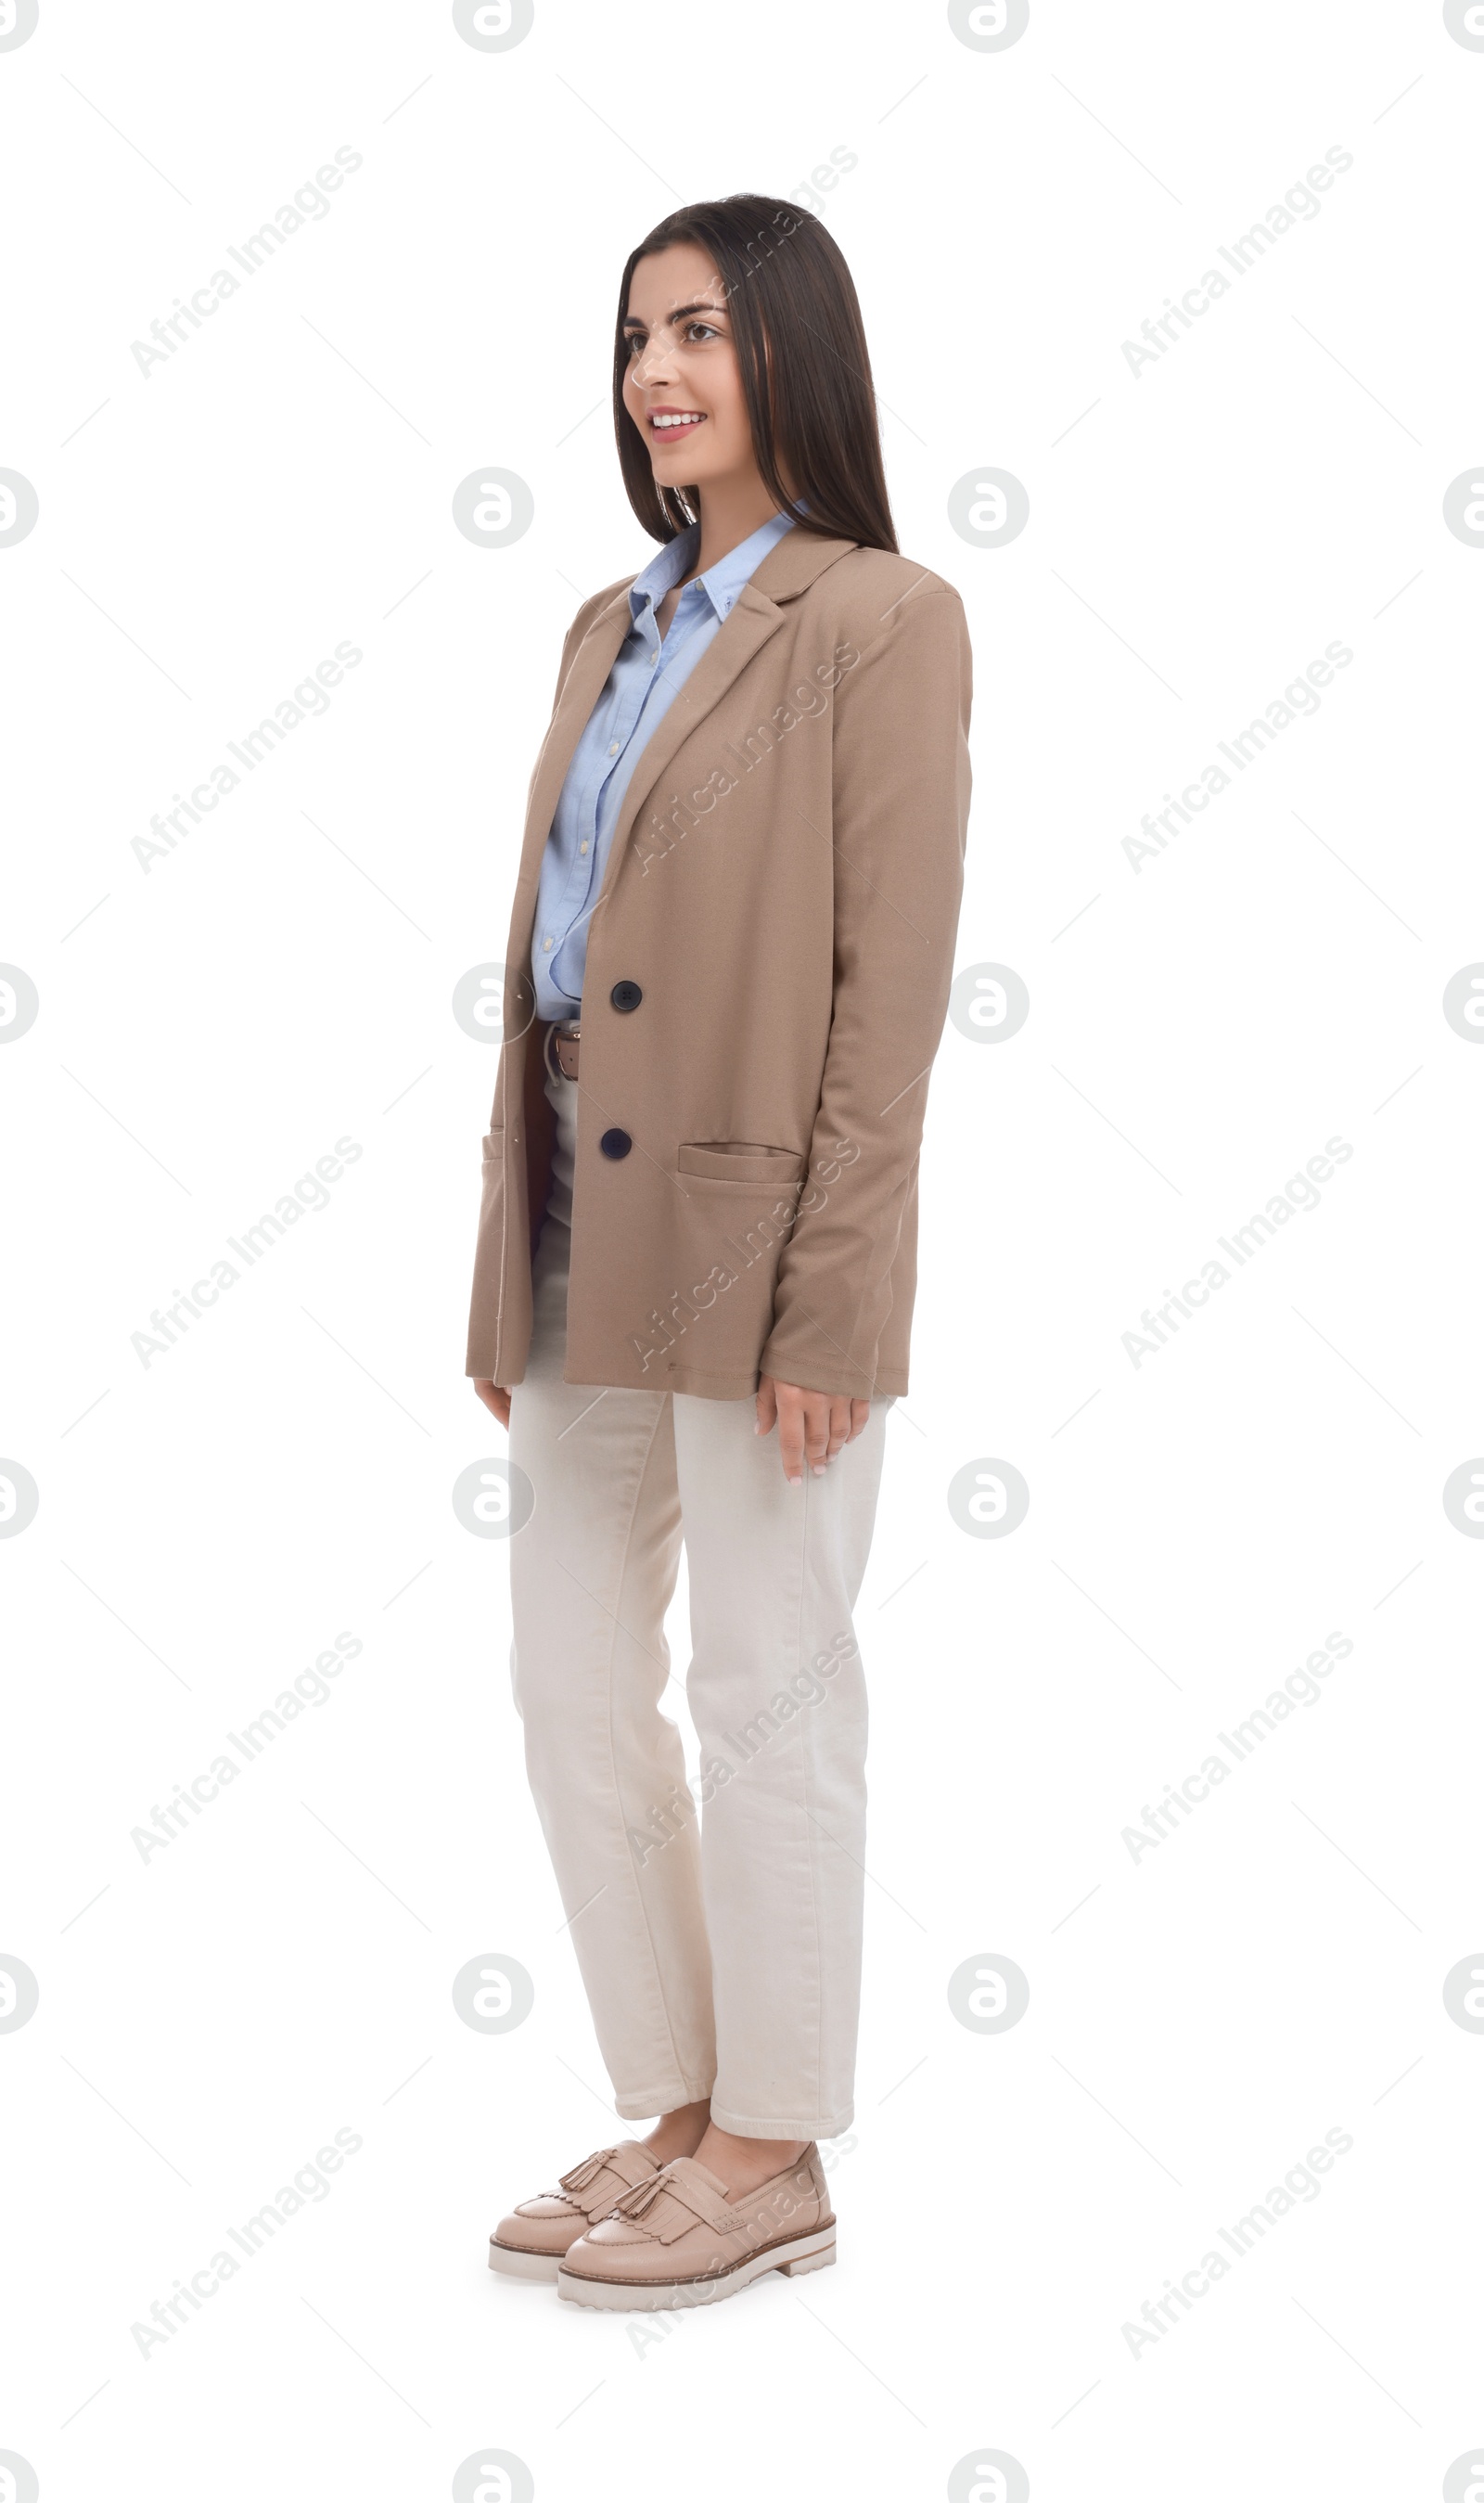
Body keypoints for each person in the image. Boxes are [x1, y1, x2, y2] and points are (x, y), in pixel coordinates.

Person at [467, 192, 972, 2310]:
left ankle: (776, 2145)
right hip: (585, 1217)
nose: (653, 373)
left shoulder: (879, 616)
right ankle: (680, 2101)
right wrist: (506, 1259)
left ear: (788, 351)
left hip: (765, 1234)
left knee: (768, 1688)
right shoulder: (608, 619)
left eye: (694, 329)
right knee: (574, 1675)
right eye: (628, 338)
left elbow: (890, 984)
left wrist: (834, 1295)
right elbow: (549, 963)